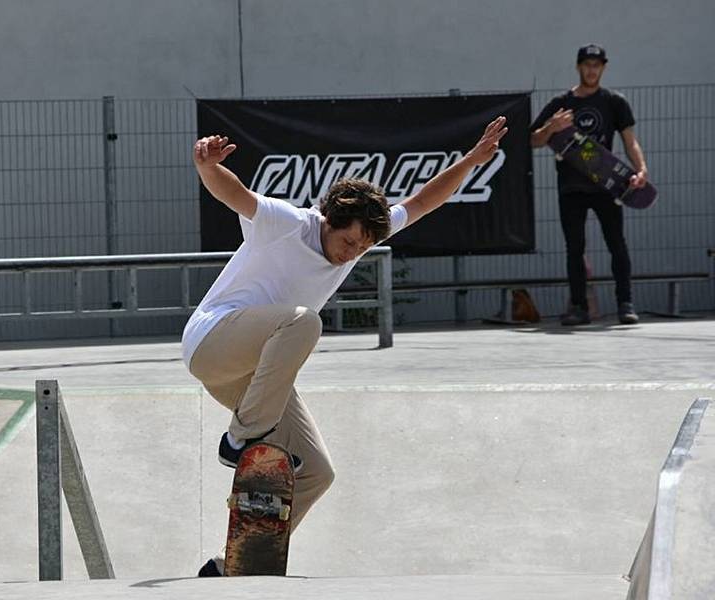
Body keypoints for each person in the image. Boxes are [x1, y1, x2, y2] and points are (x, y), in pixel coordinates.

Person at [183, 117, 508, 576]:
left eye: (363, 247)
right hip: (212, 341)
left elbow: (422, 201)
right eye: (347, 241)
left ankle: (233, 561)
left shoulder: (366, 232)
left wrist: (473, 160)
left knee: (316, 471)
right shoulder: (286, 223)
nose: (352, 252)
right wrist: (208, 167)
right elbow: (235, 195)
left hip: (253, 376)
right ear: (329, 220)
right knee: (303, 323)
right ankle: (238, 440)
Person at [530, 44, 648, 326]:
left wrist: (641, 170)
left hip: (607, 183)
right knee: (574, 247)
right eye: (587, 64)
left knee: (617, 244)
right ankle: (579, 307)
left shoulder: (614, 102)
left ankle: (625, 304)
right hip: (571, 185)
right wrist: (551, 128)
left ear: (603, 68)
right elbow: (532, 140)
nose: (591, 70)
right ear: (578, 67)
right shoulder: (562, 102)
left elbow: (629, 141)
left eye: (597, 65)